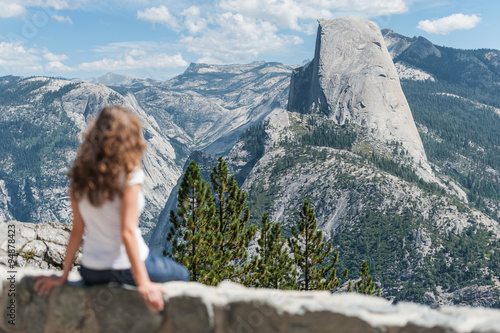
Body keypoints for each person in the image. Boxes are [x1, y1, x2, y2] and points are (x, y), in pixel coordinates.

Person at [33, 106, 188, 312]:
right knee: (182, 275)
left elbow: (77, 231)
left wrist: (64, 275)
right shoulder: (130, 175)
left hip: (91, 271)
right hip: (125, 268)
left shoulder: (79, 177)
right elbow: (127, 231)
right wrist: (143, 284)